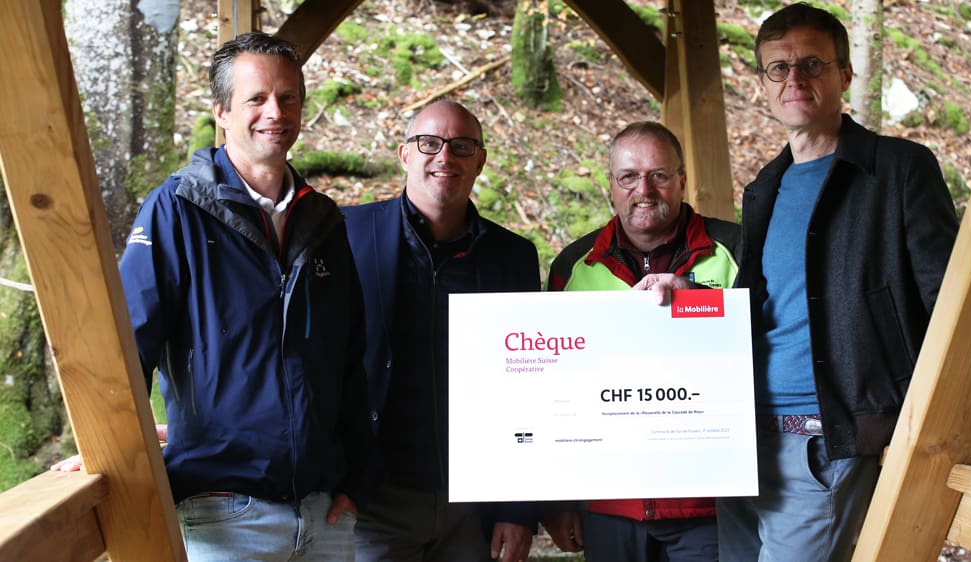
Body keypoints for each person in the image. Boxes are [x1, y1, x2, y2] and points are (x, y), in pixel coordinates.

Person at [55, 32, 372, 561]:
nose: (275, 112)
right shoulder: (177, 210)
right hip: (224, 515)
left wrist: (354, 478)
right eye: (256, 99)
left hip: (324, 516)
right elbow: (128, 348)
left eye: (288, 97)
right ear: (221, 111)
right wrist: (104, 450)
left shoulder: (323, 220)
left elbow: (350, 361)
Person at [712, 4, 959, 561]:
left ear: (845, 74)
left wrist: (937, 426)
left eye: (812, 64)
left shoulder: (898, 170)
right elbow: (764, 306)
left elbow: (946, 302)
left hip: (827, 440)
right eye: (778, 68)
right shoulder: (764, 187)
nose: (794, 79)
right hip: (742, 440)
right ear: (763, 83)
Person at [341, 99, 540, 562]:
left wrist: (518, 509)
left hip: (474, 505)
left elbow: (528, 384)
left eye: (461, 146)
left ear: (480, 160)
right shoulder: (347, 233)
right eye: (429, 143)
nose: (445, 156)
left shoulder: (513, 257)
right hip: (373, 499)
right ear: (404, 154)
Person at [542, 121, 739, 562]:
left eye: (659, 175)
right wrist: (558, 502)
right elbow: (553, 390)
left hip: (709, 503)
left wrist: (698, 301)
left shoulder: (735, 251)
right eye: (628, 176)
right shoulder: (573, 267)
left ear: (682, 180)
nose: (644, 190)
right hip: (609, 503)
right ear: (611, 186)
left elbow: (765, 350)